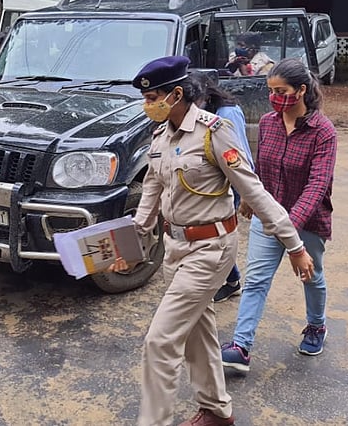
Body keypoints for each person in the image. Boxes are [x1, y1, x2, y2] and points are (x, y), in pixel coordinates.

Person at [131, 56, 314, 426]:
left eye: (153, 97)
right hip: (176, 249)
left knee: (160, 342)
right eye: (146, 98)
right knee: (199, 333)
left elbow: (255, 191)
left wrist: (294, 245)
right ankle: (217, 411)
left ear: (177, 93)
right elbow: (151, 192)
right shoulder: (160, 137)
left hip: (211, 249)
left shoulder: (214, 131)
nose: (148, 104)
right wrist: (129, 244)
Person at [220, 57, 337, 373]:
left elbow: (317, 185)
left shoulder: (323, 131)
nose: (274, 97)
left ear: (300, 90)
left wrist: (290, 231)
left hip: (308, 222)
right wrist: (249, 199)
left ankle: (316, 325)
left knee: (310, 276)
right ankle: (241, 346)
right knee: (256, 279)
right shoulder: (269, 123)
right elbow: (261, 170)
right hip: (267, 217)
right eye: (270, 90)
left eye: (281, 90)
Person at [188, 71, 255, 303]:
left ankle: (232, 280)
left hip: (231, 181)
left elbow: (238, 156)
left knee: (219, 234)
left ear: (205, 95)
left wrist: (246, 194)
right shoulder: (201, 113)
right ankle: (230, 278)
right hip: (212, 180)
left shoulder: (226, 113)